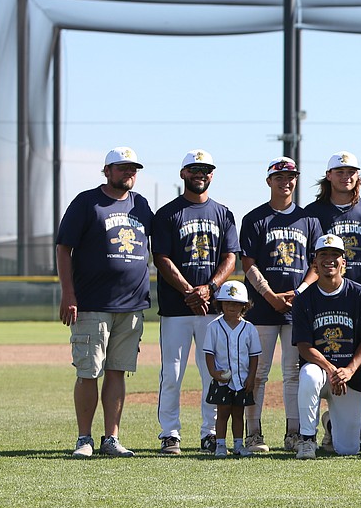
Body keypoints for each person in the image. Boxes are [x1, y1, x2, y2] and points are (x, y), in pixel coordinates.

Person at [56, 146, 154, 458]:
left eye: (133, 168)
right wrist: (68, 294)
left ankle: (111, 438)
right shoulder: (87, 202)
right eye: (122, 167)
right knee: (88, 371)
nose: (129, 173)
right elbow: (63, 248)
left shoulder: (141, 205)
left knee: (117, 371)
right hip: (93, 303)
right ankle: (84, 438)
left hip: (132, 306)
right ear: (107, 171)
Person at [153, 149, 240, 456]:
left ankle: (209, 433)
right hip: (177, 308)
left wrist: (211, 288)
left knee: (211, 373)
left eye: (205, 169)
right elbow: (161, 257)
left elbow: (231, 256)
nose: (200, 173)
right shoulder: (167, 213)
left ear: (211, 175)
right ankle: (170, 433)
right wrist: (191, 291)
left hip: (212, 308)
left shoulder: (224, 213)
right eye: (194, 169)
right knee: (172, 373)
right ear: (183, 174)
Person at [238, 157, 321, 454]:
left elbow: (316, 262)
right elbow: (247, 262)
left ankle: (294, 433)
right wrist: (269, 294)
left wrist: (298, 292)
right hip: (261, 306)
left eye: (291, 177)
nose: (286, 181)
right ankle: (254, 433)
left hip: (295, 306)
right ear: (269, 181)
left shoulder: (309, 220)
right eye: (280, 177)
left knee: (293, 372)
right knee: (257, 373)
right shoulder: (255, 218)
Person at [290, 234, 361, 459]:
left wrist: (348, 370)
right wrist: (331, 369)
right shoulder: (303, 299)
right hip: (322, 371)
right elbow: (303, 346)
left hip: (349, 378)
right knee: (309, 373)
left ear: (344, 262)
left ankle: (331, 424)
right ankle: (307, 440)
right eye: (323, 255)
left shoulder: (360, 294)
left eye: (335, 255)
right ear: (315, 263)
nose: (329, 259)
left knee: (348, 449)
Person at [305, 151, 361, 297]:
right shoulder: (313, 212)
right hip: (323, 296)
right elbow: (308, 259)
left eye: (351, 172)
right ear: (329, 175)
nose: (346, 177)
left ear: (357, 176)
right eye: (340, 172)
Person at [202, 281, 262, 458]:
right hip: (223, 379)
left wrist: (251, 378)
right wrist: (213, 373)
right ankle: (220, 445)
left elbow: (254, 356)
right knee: (222, 414)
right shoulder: (214, 326)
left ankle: (238, 445)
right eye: (227, 302)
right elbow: (209, 353)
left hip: (242, 380)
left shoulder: (249, 328)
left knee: (238, 414)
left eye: (236, 303)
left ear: (244, 305)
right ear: (220, 303)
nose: (232, 306)